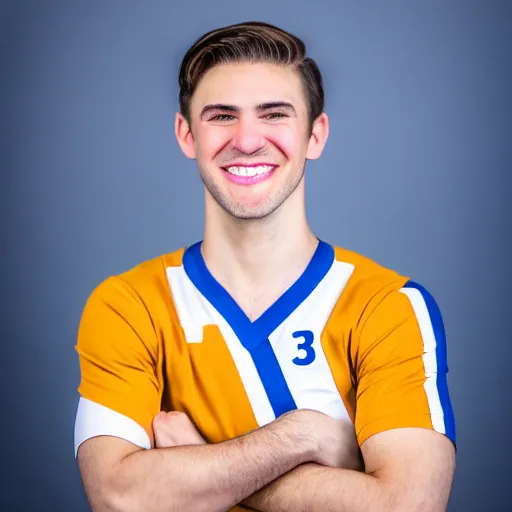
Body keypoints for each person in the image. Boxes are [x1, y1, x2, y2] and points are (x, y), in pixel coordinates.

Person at [74, 21, 456, 512]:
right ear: (186, 134)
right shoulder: (128, 306)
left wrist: (201, 462)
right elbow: (118, 496)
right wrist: (301, 436)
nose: (248, 140)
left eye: (274, 114)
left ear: (315, 135)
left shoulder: (388, 309)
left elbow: (408, 508)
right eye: (221, 116)